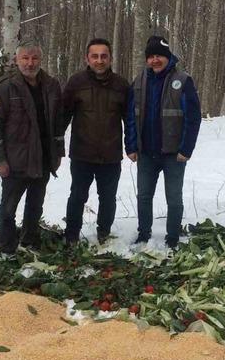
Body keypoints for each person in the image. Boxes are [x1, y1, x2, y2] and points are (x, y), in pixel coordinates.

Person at [0, 42, 64, 255]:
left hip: (43, 159)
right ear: (17, 60)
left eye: (34, 58)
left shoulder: (51, 85)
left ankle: (30, 242)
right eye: (25, 58)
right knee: (8, 209)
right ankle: (7, 248)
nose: (30, 63)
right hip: (14, 161)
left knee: (35, 207)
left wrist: (58, 153)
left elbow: (57, 123)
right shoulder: (4, 86)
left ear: (41, 59)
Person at [129, 35, 201, 249]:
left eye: (159, 55)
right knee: (143, 196)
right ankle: (143, 234)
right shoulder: (139, 80)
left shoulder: (183, 80)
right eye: (150, 56)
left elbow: (193, 118)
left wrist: (186, 149)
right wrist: (131, 146)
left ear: (168, 57)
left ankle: (172, 237)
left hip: (173, 154)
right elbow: (131, 116)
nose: (155, 60)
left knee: (174, 198)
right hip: (146, 153)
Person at [62, 38, 135, 245]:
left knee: (108, 198)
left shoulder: (121, 85)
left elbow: (130, 120)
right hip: (82, 153)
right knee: (77, 196)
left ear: (110, 58)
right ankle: (72, 235)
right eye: (95, 56)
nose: (99, 60)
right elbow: (63, 117)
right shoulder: (76, 83)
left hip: (110, 154)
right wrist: (54, 145)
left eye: (104, 56)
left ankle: (104, 233)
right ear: (87, 58)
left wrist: (132, 146)